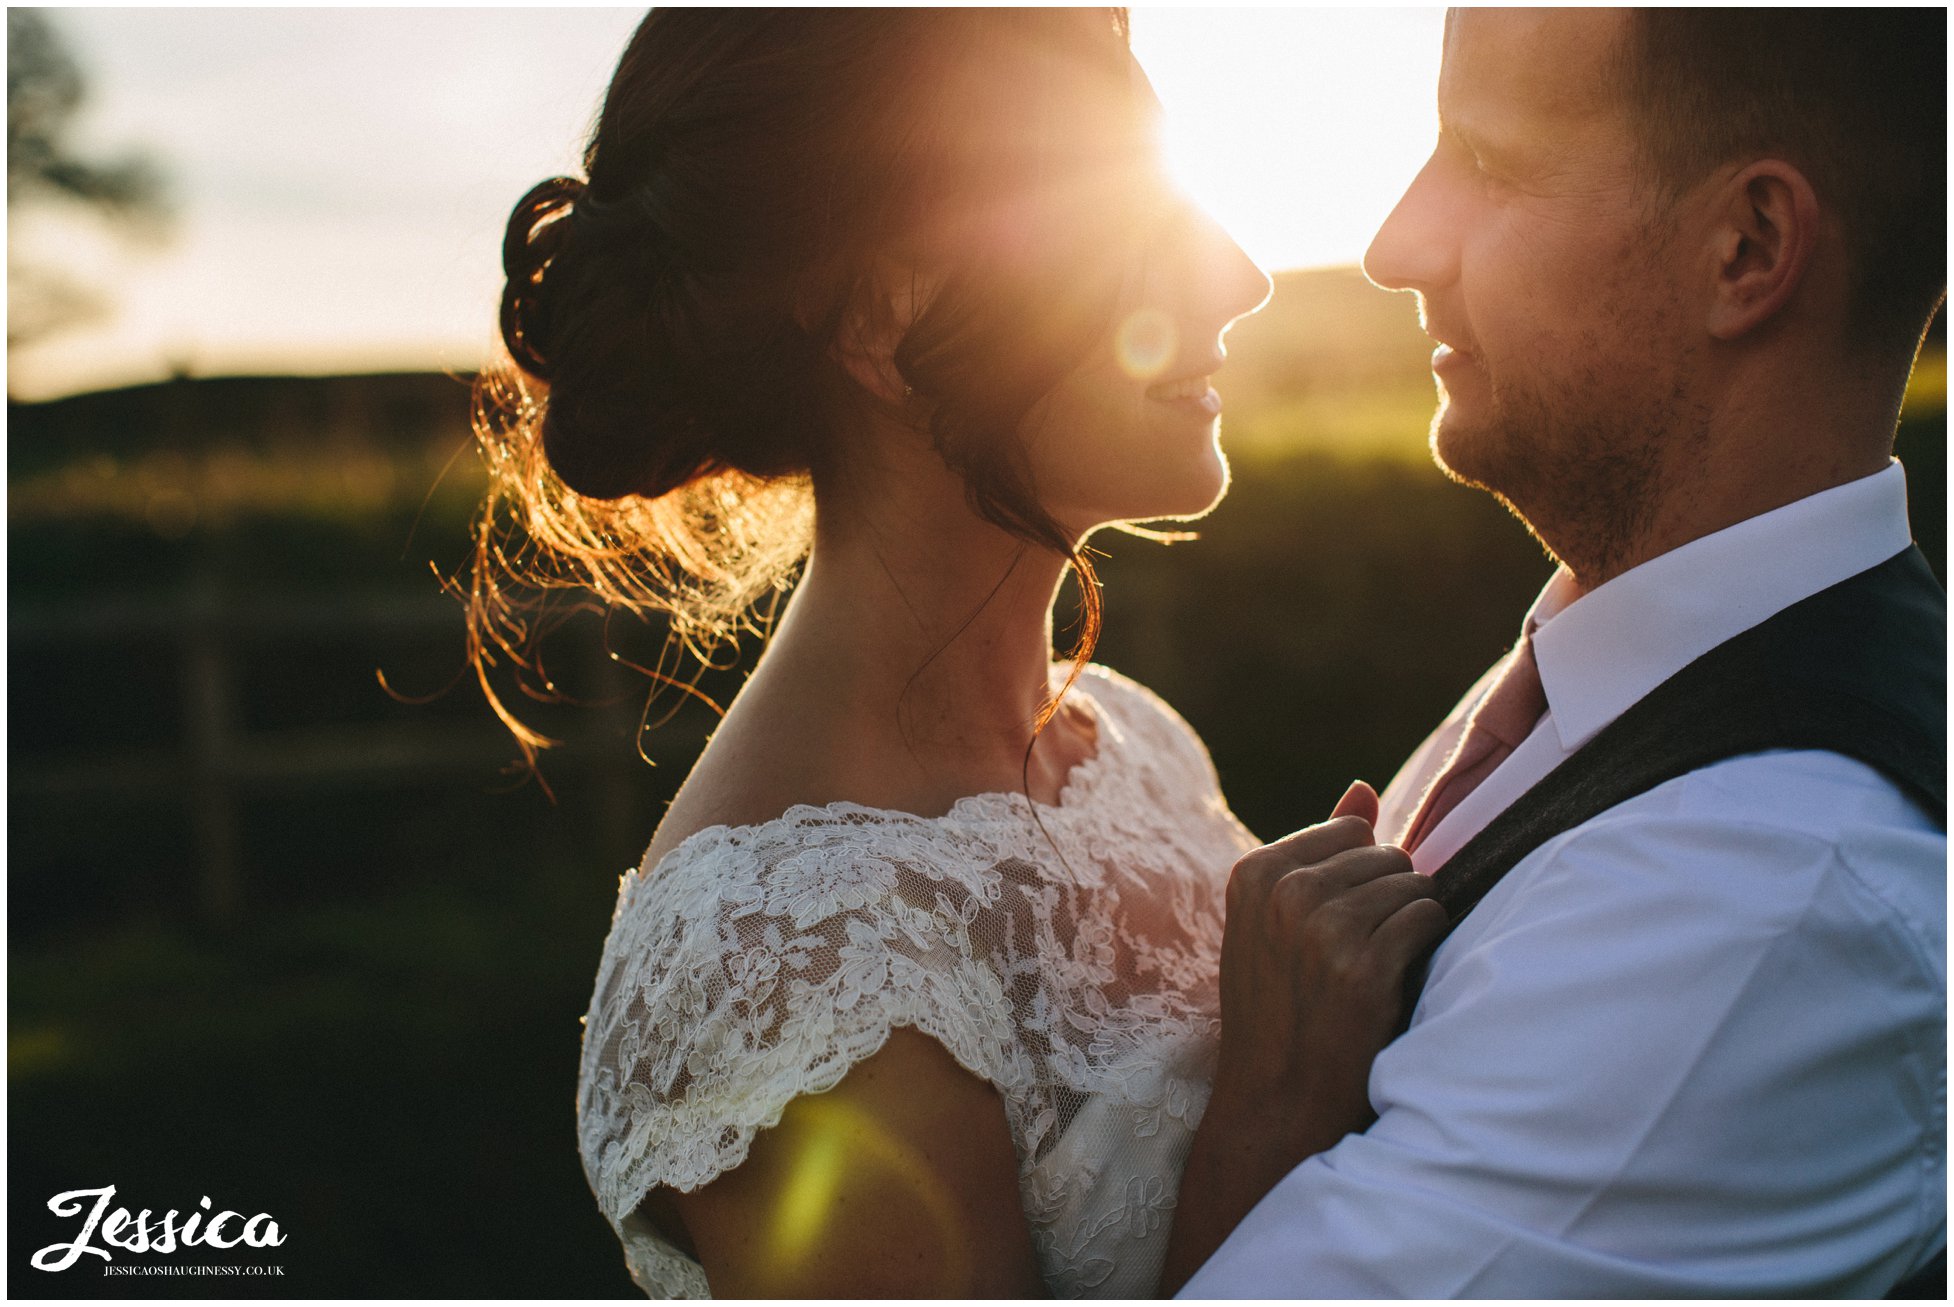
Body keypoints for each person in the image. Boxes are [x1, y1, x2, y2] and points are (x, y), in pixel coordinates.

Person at [470, 9, 1416, 1298]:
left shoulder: (1125, 738)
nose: (1238, 277)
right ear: (884, 312)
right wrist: (1270, 1112)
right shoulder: (788, 959)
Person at [1164, 8, 1946, 1297]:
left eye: (1486, 159)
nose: (1392, 243)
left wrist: (1259, 1119)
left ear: (1746, 248)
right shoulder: (1619, 653)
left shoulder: (1759, 897)